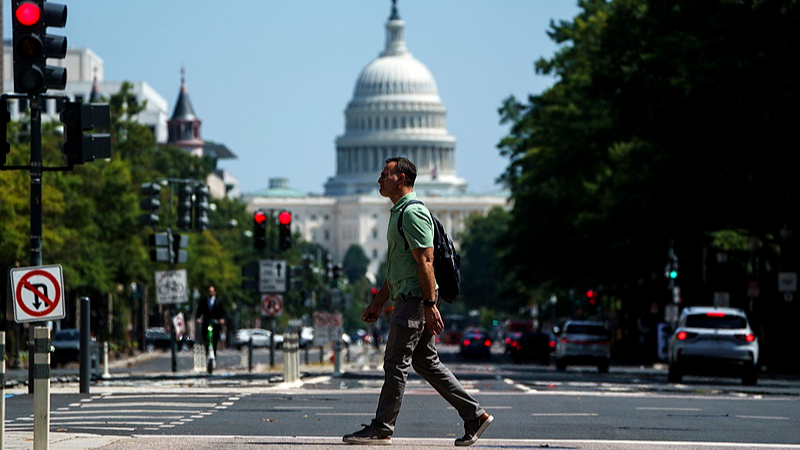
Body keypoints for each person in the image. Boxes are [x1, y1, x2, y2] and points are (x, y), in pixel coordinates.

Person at [343, 157, 493, 447]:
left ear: (400, 177)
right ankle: (474, 415)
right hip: (409, 297)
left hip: (414, 301)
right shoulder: (399, 213)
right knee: (426, 362)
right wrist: (378, 302)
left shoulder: (412, 213)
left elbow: (426, 261)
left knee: (395, 363)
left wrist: (429, 303)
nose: (379, 180)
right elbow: (398, 268)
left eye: (384, 174)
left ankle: (382, 427)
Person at [195, 285, 226, 356]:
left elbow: (223, 312)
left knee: (215, 339)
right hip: (206, 322)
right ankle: (207, 352)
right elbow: (199, 311)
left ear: (214, 292)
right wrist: (198, 319)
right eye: (209, 291)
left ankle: (214, 354)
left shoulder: (219, 301)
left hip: (216, 323)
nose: (210, 293)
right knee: (206, 338)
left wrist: (222, 319)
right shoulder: (203, 301)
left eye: (212, 291)